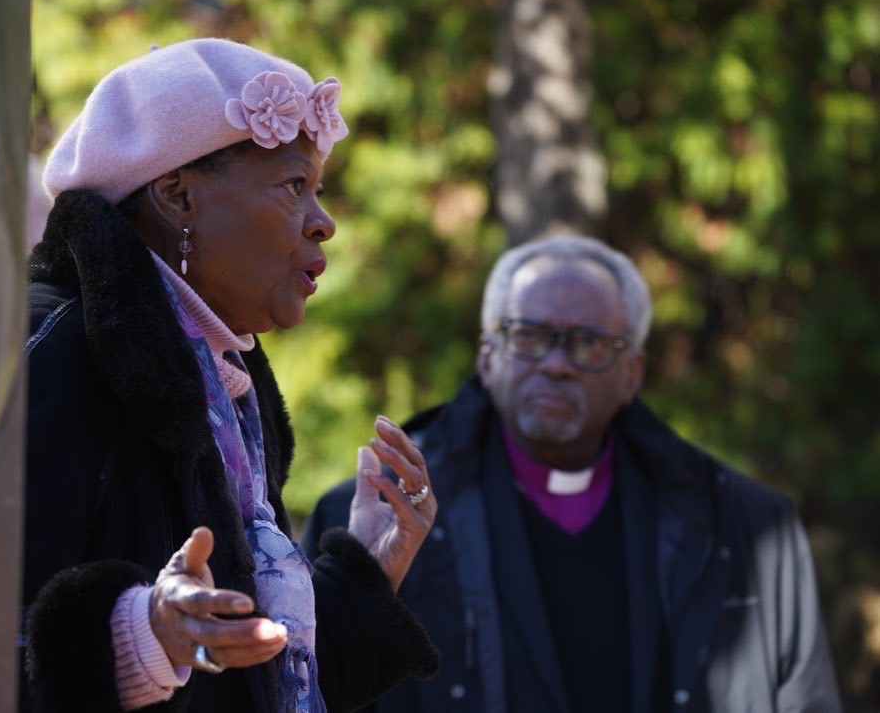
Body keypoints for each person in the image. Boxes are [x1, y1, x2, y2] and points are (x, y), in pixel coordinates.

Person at [21, 38, 441, 713]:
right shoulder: (54, 352)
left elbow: (242, 681)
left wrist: (367, 567)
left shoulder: (224, 384)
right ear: (177, 197)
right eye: (294, 186)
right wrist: (141, 635)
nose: (325, 223)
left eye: (319, 190)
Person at [303, 233, 842, 712]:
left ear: (632, 373)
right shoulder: (373, 522)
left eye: (588, 343)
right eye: (529, 336)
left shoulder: (744, 525)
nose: (556, 365)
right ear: (488, 358)